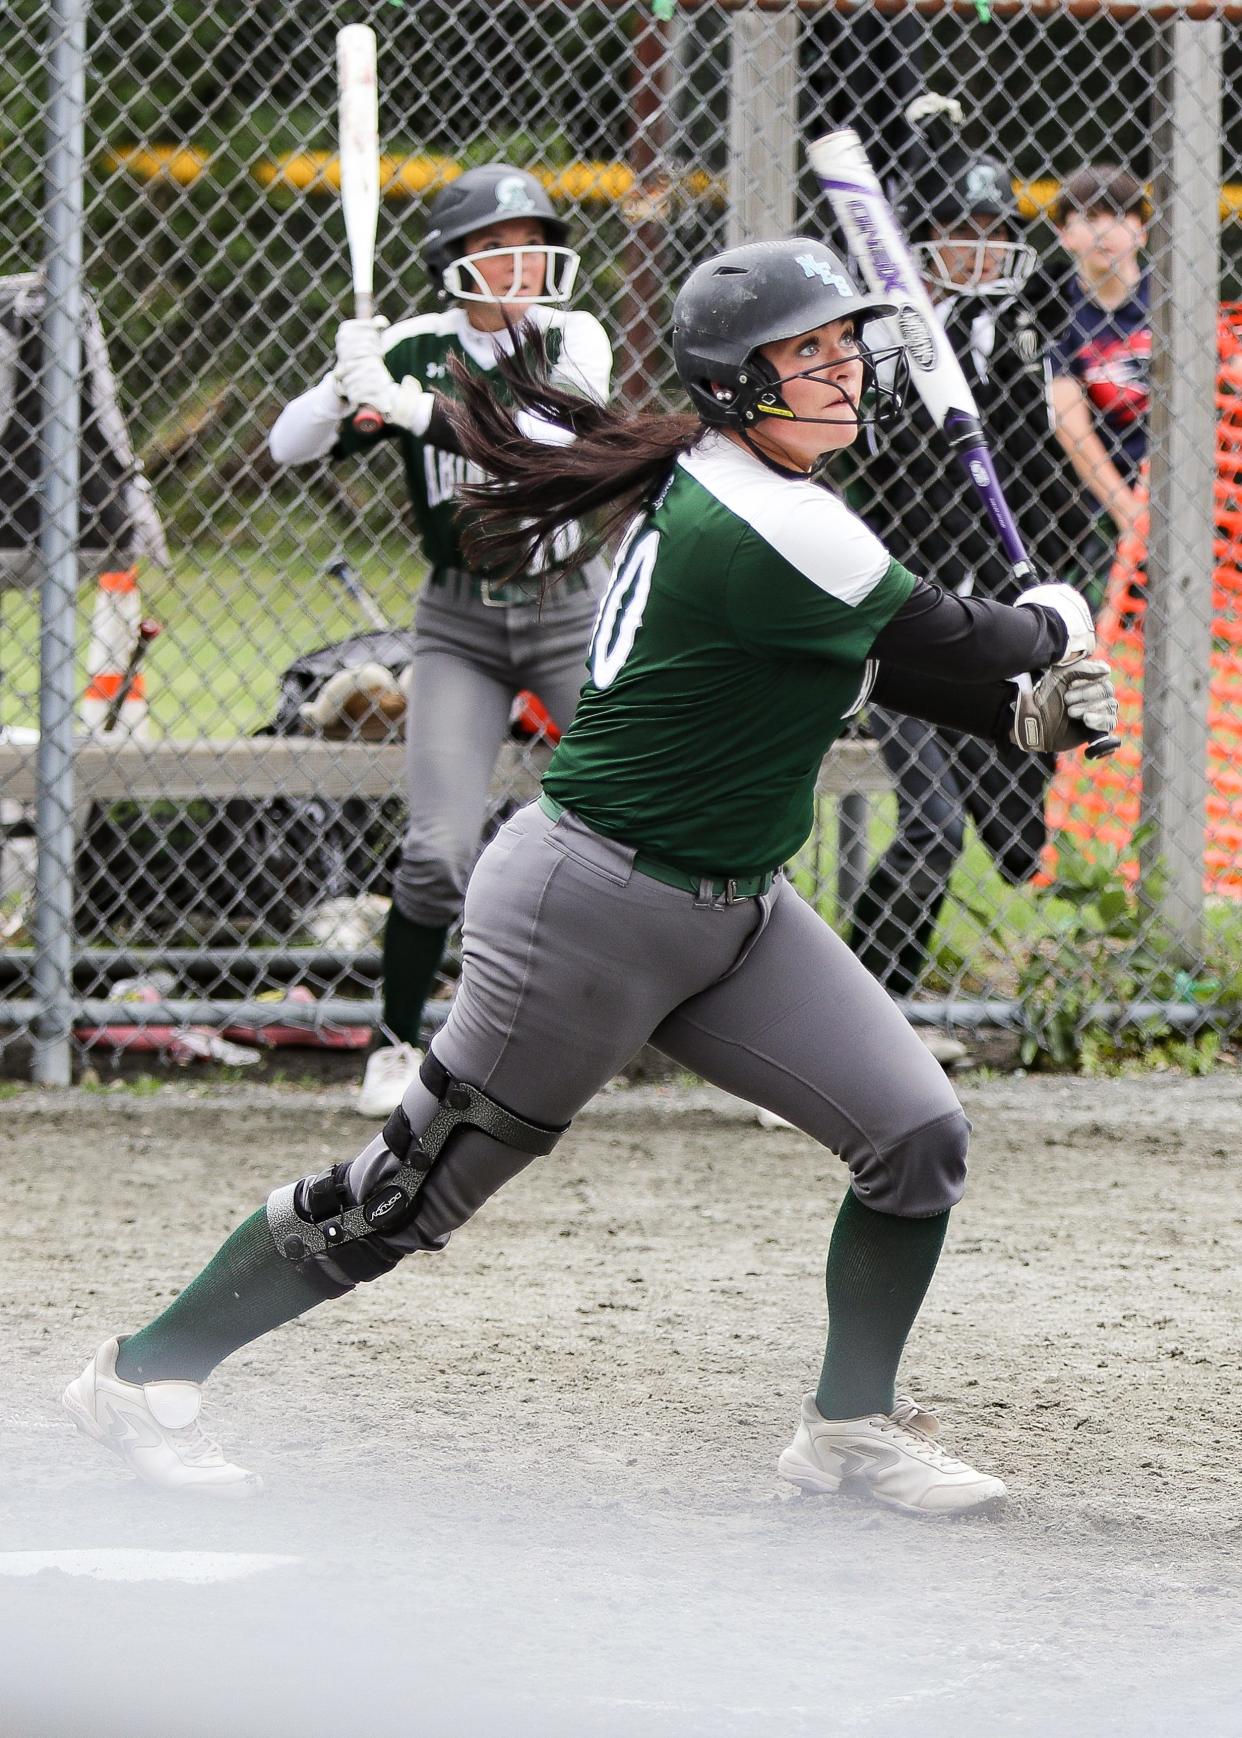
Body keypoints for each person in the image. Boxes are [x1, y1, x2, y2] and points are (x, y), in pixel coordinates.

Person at [63, 238, 1117, 1518]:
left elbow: (871, 661)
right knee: (410, 1191)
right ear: (740, 382)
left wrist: (1020, 716)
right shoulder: (772, 519)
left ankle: (846, 1431)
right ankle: (142, 1376)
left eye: (847, 345)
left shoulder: (752, 494)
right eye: (809, 352)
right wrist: (1057, 626)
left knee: (914, 1136)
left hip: (735, 909)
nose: (843, 370)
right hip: (593, 909)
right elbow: (968, 637)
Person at [268, 163, 613, 1118]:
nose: (520, 262)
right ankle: (394, 1041)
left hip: (569, 609)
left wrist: (408, 405)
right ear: (455, 261)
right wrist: (347, 385)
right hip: (459, 621)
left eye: (531, 242)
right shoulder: (414, 348)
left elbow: (542, 442)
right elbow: (285, 448)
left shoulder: (571, 336)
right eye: (495, 247)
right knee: (435, 851)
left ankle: (702, 1033)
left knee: (645, 818)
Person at [845, 114, 1075, 1017]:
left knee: (1017, 839)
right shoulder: (876, 341)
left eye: (994, 234)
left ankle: (880, 1014)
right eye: (957, 233)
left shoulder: (1013, 336)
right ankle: (864, 1013)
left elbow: (1036, 471)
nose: (980, 252)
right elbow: (870, 465)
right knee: (935, 827)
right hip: (894, 616)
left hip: (983, 609)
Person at [1043, 163, 1151, 616]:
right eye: (1088, 217)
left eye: (1119, 215)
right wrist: (1127, 509)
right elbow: (1068, 422)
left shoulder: (1171, 297)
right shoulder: (1055, 305)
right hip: (1090, 486)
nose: (1104, 230)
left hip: (1168, 472)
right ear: (1065, 234)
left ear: (1142, 231)